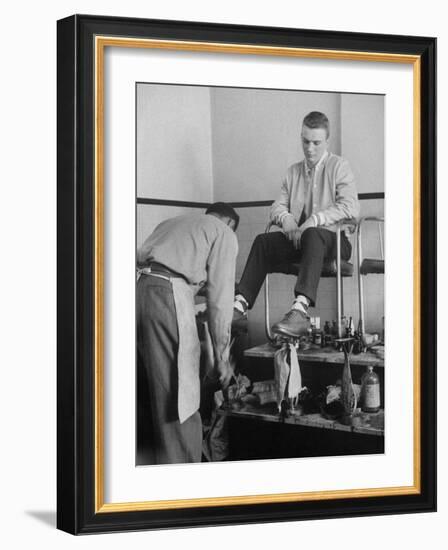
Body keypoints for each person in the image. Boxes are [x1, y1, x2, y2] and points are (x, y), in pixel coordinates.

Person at [233, 111, 360, 338]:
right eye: (305, 141)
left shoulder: (339, 166)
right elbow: (277, 207)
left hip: (336, 242)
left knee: (312, 232)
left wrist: (315, 219)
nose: (310, 148)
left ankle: (300, 311)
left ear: (326, 141)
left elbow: (351, 207)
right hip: (304, 242)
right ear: (300, 137)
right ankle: (239, 307)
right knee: (264, 242)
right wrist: (287, 219)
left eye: (316, 143)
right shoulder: (293, 172)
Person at [136, 202, 239, 464]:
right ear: (228, 223)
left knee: (150, 395)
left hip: (138, 290)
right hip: (168, 295)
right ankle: (184, 485)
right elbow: (220, 297)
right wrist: (223, 356)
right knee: (179, 401)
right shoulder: (224, 233)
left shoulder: (174, 223)